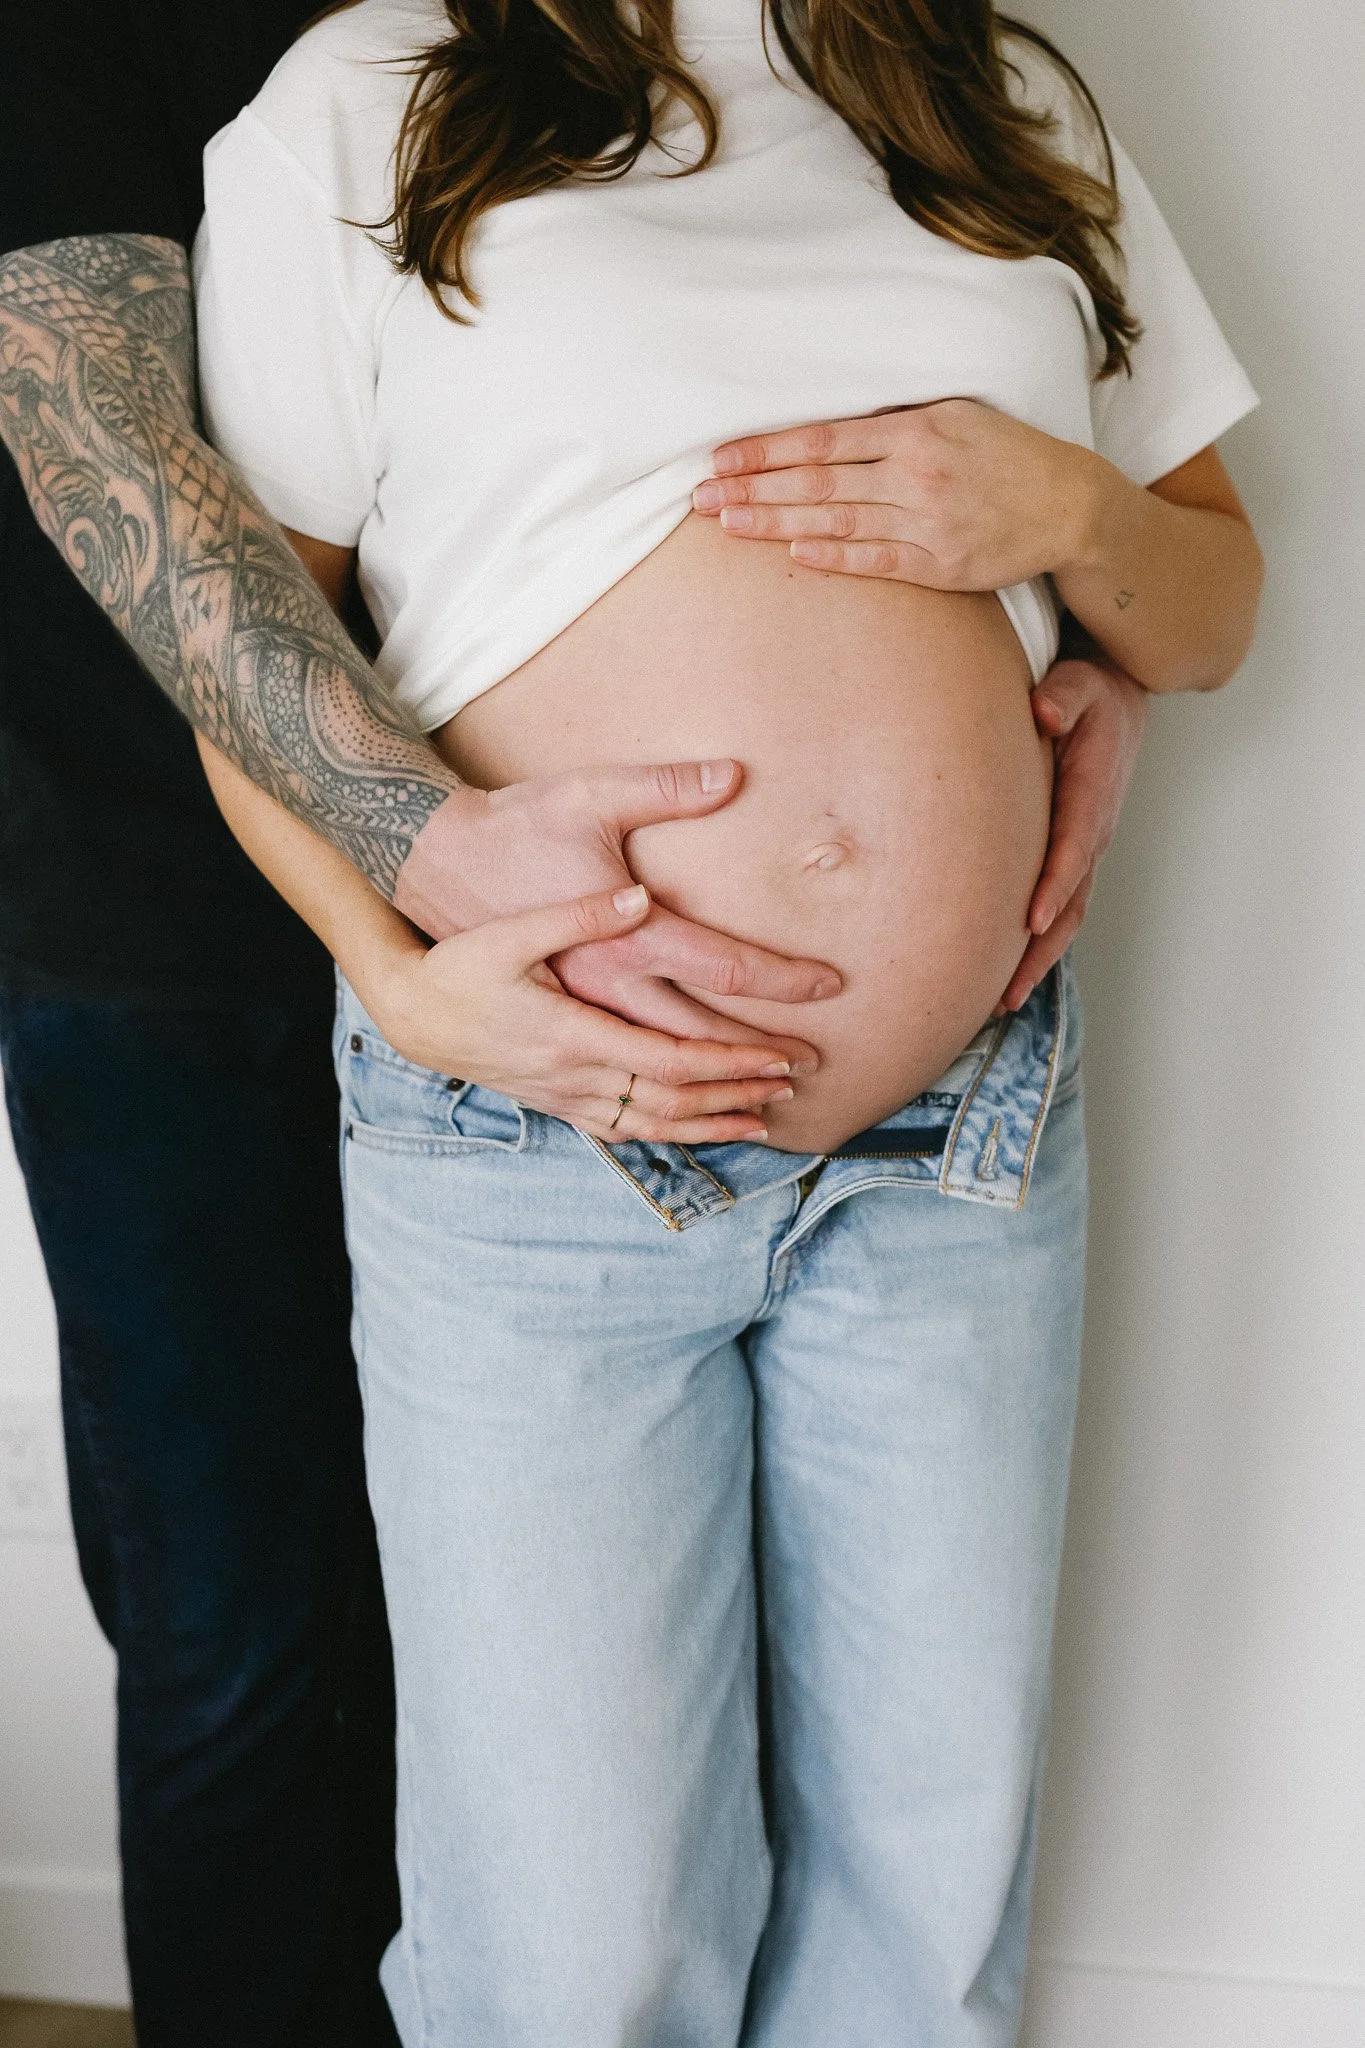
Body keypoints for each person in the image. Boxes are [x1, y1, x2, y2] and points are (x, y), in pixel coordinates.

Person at [188, 0, 1262, 2039]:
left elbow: (1214, 606)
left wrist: (1061, 520)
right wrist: (403, 977)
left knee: (916, 1942)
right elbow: (249, 666)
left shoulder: (997, 98)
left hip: (958, 1148)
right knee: (572, 1964)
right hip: (536, 1149)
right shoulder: (370, 101)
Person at [0, 5, 854, 2042]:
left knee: (615, 1659)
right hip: (173, 935)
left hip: (627, 940)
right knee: (254, 1623)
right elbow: (95, 428)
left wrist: (1052, 637)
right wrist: (418, 854)